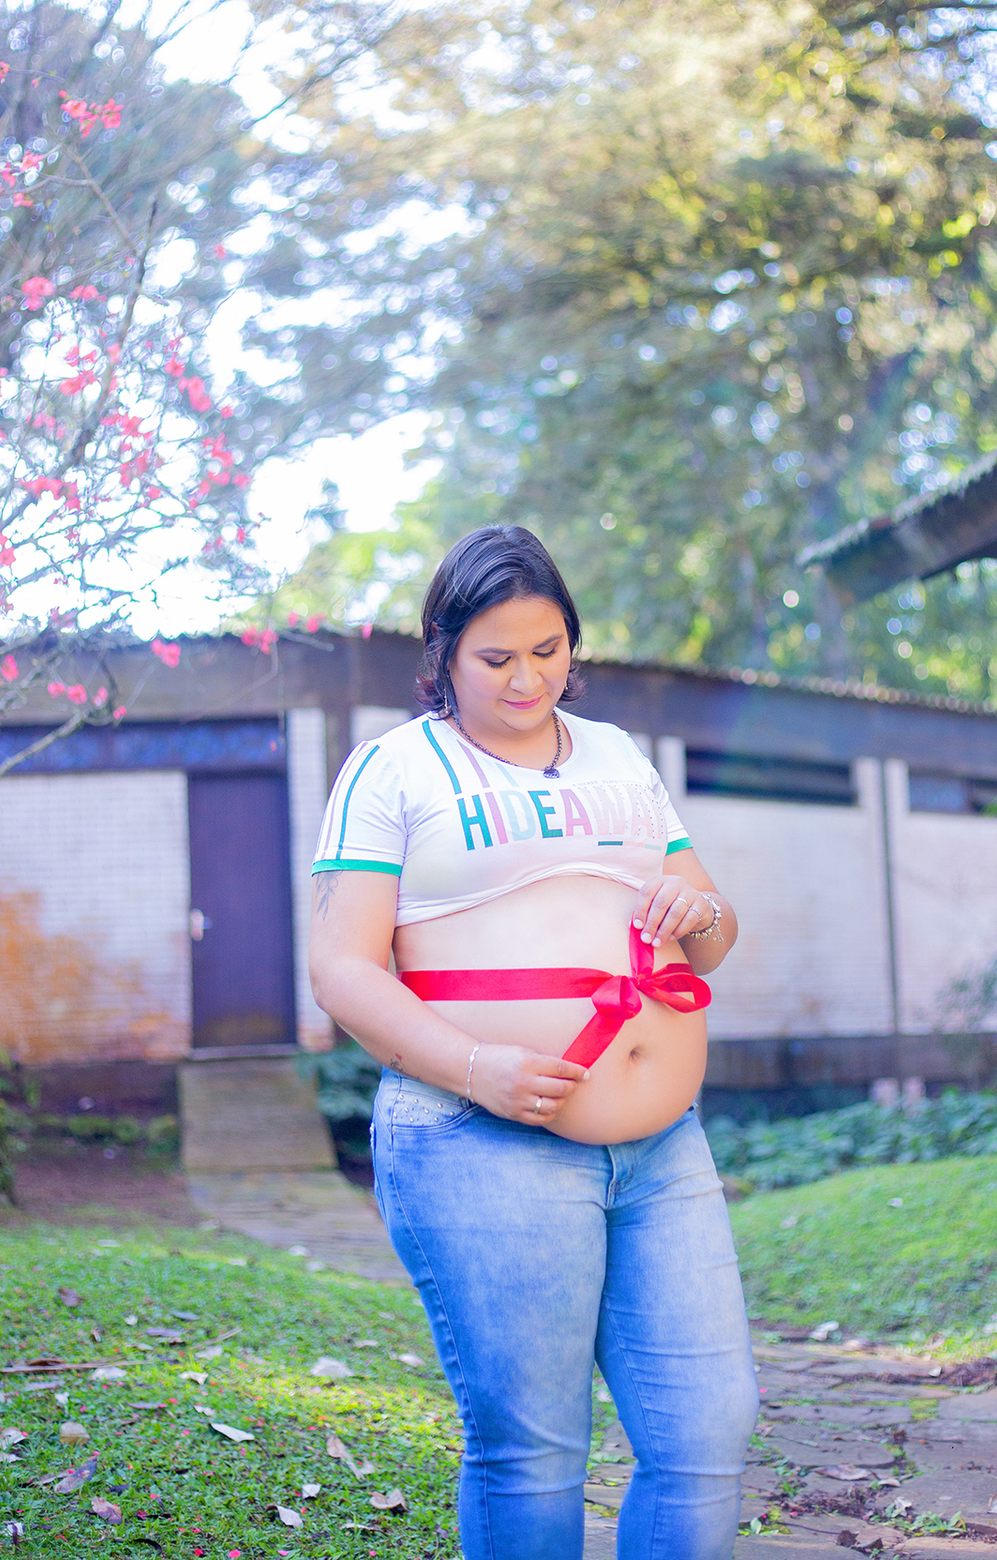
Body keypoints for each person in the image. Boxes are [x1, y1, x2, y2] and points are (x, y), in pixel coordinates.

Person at [308, 525, 758, 1560]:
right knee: (534, 1450)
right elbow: (341, 969)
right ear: (444, 653)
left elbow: (715, 931)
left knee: (706, 1429)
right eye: (497, 658)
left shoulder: (618, 755)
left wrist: (700, 911)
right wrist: (482, 1070)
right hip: (482, 1140)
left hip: (661, 1145)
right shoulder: (392, 772)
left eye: (549, 650)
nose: (528, 679)